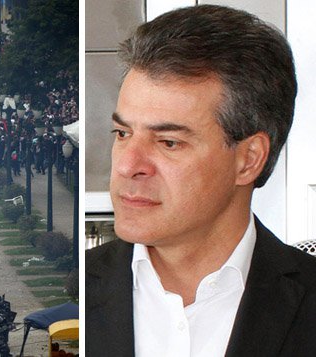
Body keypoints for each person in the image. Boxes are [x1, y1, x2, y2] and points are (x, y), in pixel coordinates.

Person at [86, 5, 316, 357]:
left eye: (169, 142)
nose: (127, 165)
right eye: (122, 133)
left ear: (248, 159)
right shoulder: (76, 292)